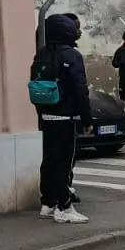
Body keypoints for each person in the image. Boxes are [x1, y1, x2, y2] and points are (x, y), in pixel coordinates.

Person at [32, 13, 91, 224]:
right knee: (64, 164)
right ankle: (64, 207)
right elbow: (80, 90)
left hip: (46, 116)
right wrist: (86, 118)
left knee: (49, 161)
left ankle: (47, 203)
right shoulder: (72, 56)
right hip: (66, 117)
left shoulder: (41, 54)